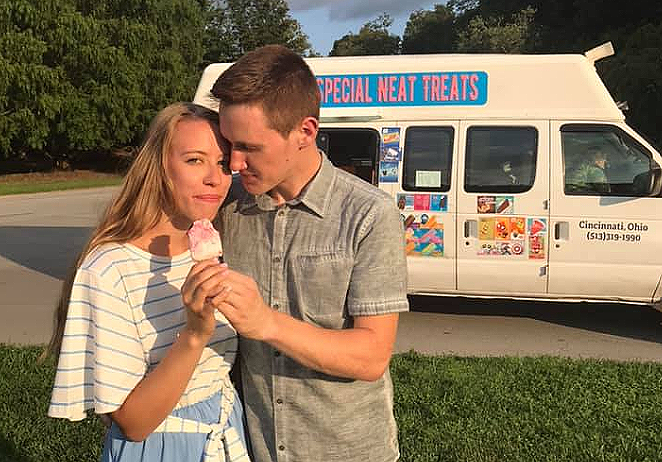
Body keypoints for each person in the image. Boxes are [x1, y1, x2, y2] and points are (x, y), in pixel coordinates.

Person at [205, 45, 409, 462]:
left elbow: (371, 355)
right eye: (229, 145)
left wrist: (265, 323)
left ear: (305, 131)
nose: (235, 162)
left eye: (249, 147)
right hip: (252, 446)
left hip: (348, 450)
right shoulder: (227, 208)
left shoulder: (368, 215)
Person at [45, 102, 250, 462]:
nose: (214, 179)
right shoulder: (110, 268)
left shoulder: (213, 246)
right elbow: (134, 422)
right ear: (158, 168)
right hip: (162, 446)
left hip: (226, 433)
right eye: (194, 160)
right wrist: (195, 334)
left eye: (221, 163)